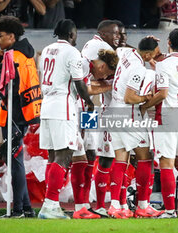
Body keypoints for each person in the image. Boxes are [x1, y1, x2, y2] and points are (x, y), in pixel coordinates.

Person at [38, 19, 94, 219]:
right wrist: (89, 102)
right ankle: (50, 205)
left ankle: (49, 204)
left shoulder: (46, 50)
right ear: (71, 34)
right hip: (63, 105)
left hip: (47, 105)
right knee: (65, 155)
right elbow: (79, 83)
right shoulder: (72, 52)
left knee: (53, 156)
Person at [140, 29, 178, 218]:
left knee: (166, 163)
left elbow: (162, 93)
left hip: (165, 114)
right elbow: (164, 61)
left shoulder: (163, 64)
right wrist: (155, 59)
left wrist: (144, 106)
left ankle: (169, 210)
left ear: (168, 42)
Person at [0, 15, 42, 218]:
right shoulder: (24, 55)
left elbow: (5, 89)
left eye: (0, 35)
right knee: (16, 161)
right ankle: (27, 208)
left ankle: (18, 209)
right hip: (24, 115)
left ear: (11, 36)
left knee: (15, 163)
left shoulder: (13, 57)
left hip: (14, 117)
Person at [107, 37, 162, 219]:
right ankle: (143, 206)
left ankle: (115, 206)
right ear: (146, 55)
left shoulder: (126, 53)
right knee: (146, 156)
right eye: (153, 54)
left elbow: (122, 47)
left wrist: (147, 42)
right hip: (127, 114)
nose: (155, 57)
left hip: (113, 111)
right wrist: (145, 97)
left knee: (121, 158)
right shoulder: (139, 69)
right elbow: (129, 98)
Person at [71, 49, 118, 219]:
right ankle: (80, 204)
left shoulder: (100, 61)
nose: (105, 76)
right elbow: (86, 89)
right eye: (106, 73)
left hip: (89, 112)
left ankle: (86, 204)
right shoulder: (85, 61)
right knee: (79, 155)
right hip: (77, 111)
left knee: (90, 153)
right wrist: (111, 85)